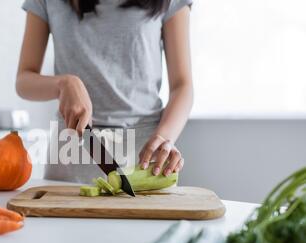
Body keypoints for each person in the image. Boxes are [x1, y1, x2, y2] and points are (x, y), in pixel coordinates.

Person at [16, 0, 193, 183]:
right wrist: (64, 83)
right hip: (70, 154)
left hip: (144, 159)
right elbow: (24, 80)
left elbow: (182, 85)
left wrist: (164, 138)